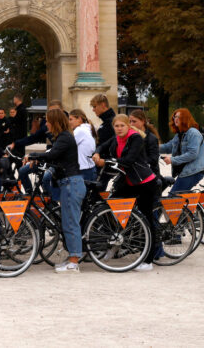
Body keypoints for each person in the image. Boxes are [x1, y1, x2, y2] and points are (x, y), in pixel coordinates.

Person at [94, 114, 161, 271]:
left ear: (128, 126)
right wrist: (97, 153)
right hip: (128, 181)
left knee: (146, 218)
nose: (119, 129)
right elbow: (102, 146)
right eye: (116, 126)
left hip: (144, 182)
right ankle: (117, 243)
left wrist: (107, 161)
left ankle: (149, 260)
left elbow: (129, 160)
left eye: (122, 126)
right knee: (111, 208)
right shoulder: (116, 137)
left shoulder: (135, 138)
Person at [27, 109, 84, 274]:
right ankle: (72, 257)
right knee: (67, 221)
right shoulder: (63, 137)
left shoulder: (65, 137)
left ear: (55, 122)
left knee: (71, 222)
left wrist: (33, 156)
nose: (46, 124)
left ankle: (74, 261)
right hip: (68, 183)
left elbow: (53, 154)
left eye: (48, 121)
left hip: (71, 183)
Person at [159, 109, 204, 193]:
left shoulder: (193, 133)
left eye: (179, 117)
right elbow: (168, 147)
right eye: (175, 117)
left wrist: (172, 160)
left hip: (193, 172)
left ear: (185, 118)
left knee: (173, 199)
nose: (175, 119)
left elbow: (192, 154)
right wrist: (150, 146)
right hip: (185, 172)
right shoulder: (179, 135)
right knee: (177, 199)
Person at [128, 110, 161, 180]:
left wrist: (137, 160)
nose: (131, 124)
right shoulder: (130, 136)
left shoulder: (151, 138)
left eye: (134, 121)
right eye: (130, 121)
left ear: (143, 121)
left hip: (150, 175)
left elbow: (154, 159)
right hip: (135, 173)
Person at [68, 109, 98, 181]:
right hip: (90, 169)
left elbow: (65, 146)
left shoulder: (79, 130)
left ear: (79, 119)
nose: (69, 122)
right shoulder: (88, 128)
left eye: (71, 119)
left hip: (83, 171)